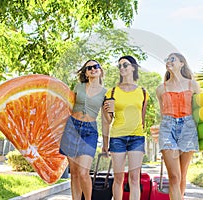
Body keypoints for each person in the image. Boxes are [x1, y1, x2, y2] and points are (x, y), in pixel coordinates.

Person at [59, 60, 110, 200]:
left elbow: (106, 120)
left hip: (89, 132)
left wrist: (106, 143)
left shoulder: (105, 93)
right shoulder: (78, 87)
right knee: (74, 173)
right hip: (72, 129)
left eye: (96, 66)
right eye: (89, 68)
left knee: (83, 172)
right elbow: (67, 108)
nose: (93, 69)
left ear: (100, 70)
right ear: (86, 73)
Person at [102, 55, 149, 200]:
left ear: (133, 68)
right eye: (120, 66)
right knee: (118, 178)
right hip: (118, 138)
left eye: (125, 65)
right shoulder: (112, 92)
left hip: (137, 138)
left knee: (135, 179)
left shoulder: (142, 92)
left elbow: (142, 118)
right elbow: (108, 120)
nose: (122, 68)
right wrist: (106, 110)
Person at [156, 52, 200, 200]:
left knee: (182, 174)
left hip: (188, 128)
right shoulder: (161, 89)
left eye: (172, 59)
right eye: (167, 59)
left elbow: (198, 111)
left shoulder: (192, 85)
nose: (168, 61)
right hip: (168, 128)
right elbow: (162, 114)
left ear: (182, 63)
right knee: (174, 176)